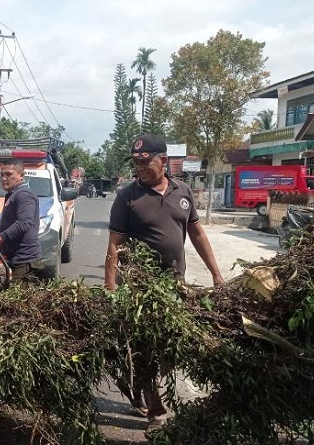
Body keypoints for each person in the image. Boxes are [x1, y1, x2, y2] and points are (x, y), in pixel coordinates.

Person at [104, 134, 224, 431]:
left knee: (167, 346)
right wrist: (111, 289)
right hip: (140, 288)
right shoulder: (127, 196)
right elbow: (114, 245)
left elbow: (197, 233)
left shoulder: (183, 191)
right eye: (136, 163)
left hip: (174, 285)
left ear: (164, 161)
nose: (139, 168)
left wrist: (216, 274)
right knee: (146, 348)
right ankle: (156, 412)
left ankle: (138, 385)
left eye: (145, 162)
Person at [0, 159, 43, 284]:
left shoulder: (24, 195)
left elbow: (24, 223)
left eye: (9, 174)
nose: (4, 178)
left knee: (19, 295)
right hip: (14, 258)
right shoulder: (12, 195)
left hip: (24, 259)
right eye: (2, 174)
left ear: (21, 175)